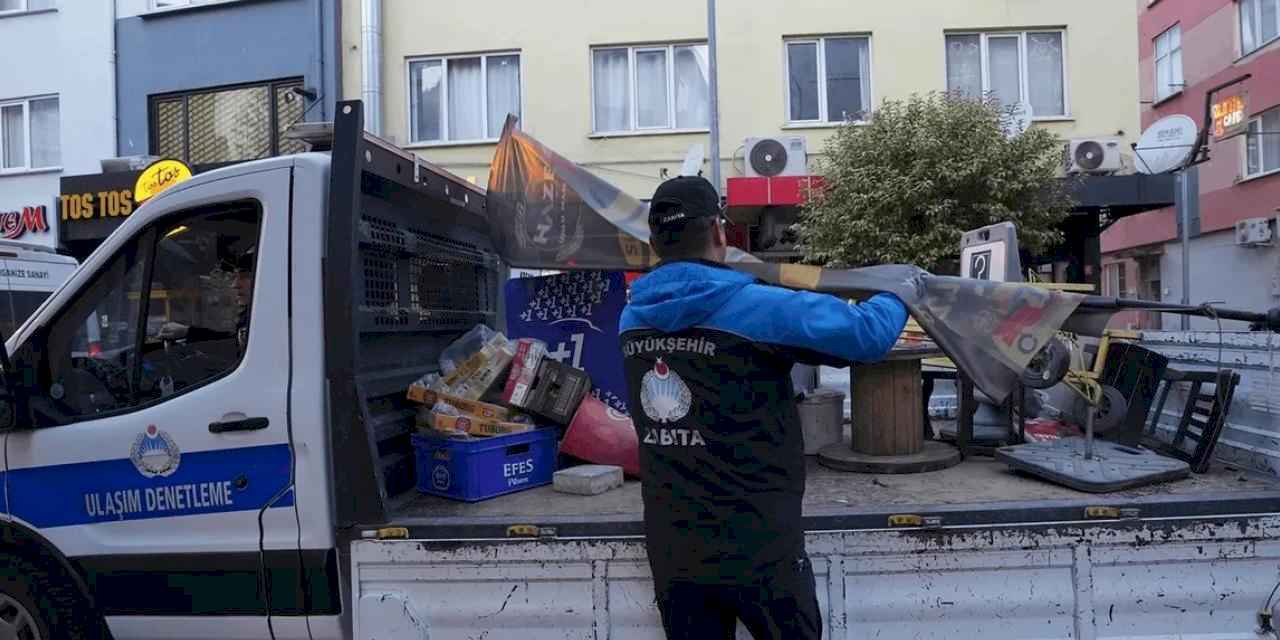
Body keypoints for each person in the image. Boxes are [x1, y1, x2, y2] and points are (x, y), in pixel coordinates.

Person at [619, 176, 908, 640]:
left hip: (674, 547)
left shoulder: (631, 317)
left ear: (654, 243)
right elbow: (866, 335)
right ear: (719, 231)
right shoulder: (754, 306)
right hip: (759, 544)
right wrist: (900, 291)